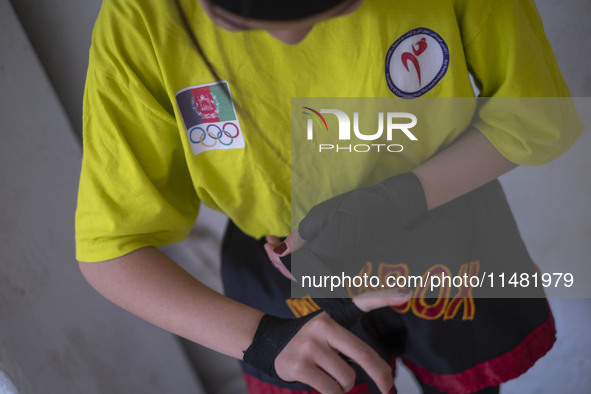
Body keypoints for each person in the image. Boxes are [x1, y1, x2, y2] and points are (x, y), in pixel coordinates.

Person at [75, 0, 581, 393]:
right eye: (239, 19)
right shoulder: (142, 20)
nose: (289, 36)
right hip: (282, 276)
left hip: (444, 230)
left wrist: (399, 198)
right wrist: (262, 338)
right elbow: (111, 248)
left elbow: (533, 117)